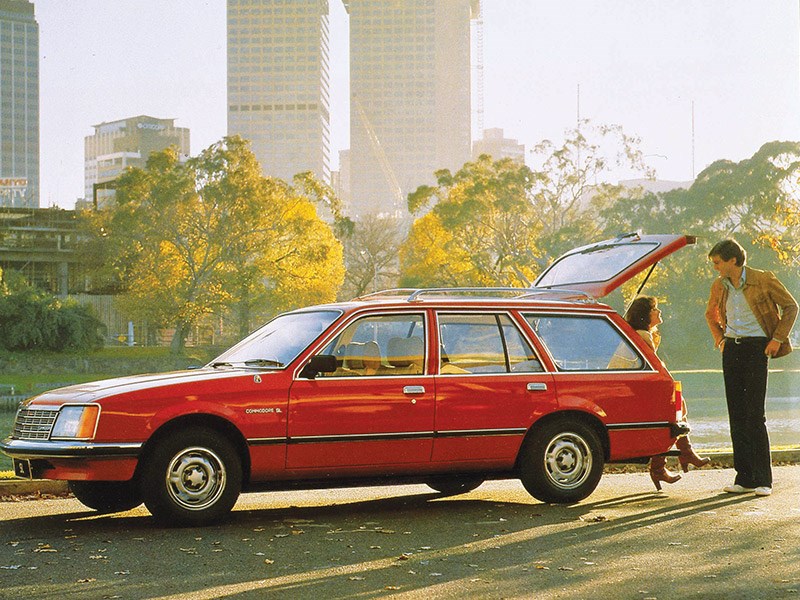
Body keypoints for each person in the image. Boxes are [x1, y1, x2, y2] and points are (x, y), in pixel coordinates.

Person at [705, 239, 798, 497]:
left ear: (732, 260)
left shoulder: (763, 279)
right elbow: (710, 314)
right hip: (732, 348)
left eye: (717, 262)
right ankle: (743, 478)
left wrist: (777, 339)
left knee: (755, 414)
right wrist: (720, 339)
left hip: (758, 348)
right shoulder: (720, 285)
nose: (715, 268)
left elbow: (791, 306)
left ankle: (763, 480)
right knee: (736, 413)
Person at [624, 296, 710, 491]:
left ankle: (673, 460)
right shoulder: (643, 336)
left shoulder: (640, 334)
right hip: (634, 393)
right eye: (655, 309)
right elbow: (656, 369)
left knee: (674, 407)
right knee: (672, 411)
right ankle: (675, 459)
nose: (659, 312)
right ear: (646, 315)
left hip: (632, 390)